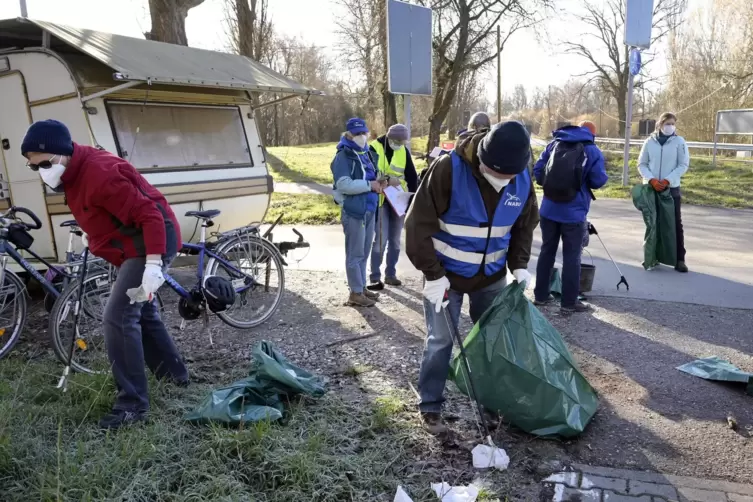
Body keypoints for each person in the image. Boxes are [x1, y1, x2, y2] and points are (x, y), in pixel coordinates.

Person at [22, 119, 187, 430]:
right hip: (127, 247)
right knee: (144, 313)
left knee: (119, 316)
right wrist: (94, 235)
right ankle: (175, 376)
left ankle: (132, 405)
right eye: (33, 168)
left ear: (60, 153)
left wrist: (153, 264)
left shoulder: (99, 173)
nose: (40, 171)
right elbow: (99, 211)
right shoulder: (71, 173)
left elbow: (150, 214)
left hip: (148, 244)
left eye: (42, 163)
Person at [405, 121, 540, 433]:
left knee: (491, 342)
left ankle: (490, 403)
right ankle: (430, 404)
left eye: (508, 177)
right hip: (445, 276)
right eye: (496, 174)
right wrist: (433, 275)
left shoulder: (522, 178)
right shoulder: (447, 170)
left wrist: (519, 265)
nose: (502, 182)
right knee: (440, 340)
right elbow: (416, 227)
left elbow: (525, 224)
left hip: (491, 277)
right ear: (482, 159)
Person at [533, 121, 608, 314]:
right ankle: (568, 303)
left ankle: (540, 296)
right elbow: (598, 181)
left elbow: (538, 172)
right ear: (592, 134)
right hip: (573, 214)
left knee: (546, 251)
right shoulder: (592, 150)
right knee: (571, 257)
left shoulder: (554, 144)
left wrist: (552, 186)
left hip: (548, 209)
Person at [331, 117, 385, 307]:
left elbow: (371, 175)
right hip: (355, 211)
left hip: (370, 208)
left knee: (364, 251)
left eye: (364, 132)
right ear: (349, 135)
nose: (362, 136)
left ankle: (361, 287)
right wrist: (370, 185)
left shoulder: (367, 152)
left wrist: (382, 181)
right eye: (357, 133)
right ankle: (355, 292)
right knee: (355, 253)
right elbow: (343, 184)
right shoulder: (343, 156)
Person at [367, 124, 419, 290]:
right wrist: (388, 180)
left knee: (395, 241)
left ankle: (391, 274)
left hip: (398, 201)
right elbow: (370, 174)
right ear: (390, 138)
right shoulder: (374, 148)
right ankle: (375, 277)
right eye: (399, 141)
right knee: (380, 242)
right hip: (381, 200)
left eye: (403, 142)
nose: (401, 144)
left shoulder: (403, 150)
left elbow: (411, 177)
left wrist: (412, 201)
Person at [637, 112, 690, 273]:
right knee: (652, 222)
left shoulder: (679, 142)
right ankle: (651, 256)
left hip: (671, 188)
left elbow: (683, 165)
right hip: (651, 188)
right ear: (660, 124)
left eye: (673, 123)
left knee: (674, 223)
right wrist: (652, 179)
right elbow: (642, 164)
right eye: (667, 123)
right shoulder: (649, 142)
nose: (670, 127)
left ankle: (679, 259)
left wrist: (667, 180)